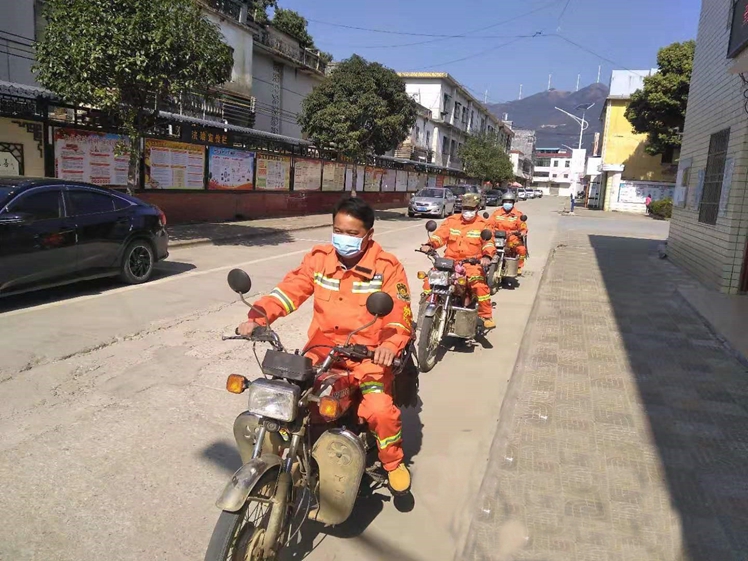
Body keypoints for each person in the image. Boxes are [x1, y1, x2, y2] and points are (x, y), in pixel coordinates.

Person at [236, 197, 413, 494]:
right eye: (338, 230)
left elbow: (400, 313)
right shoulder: (319, 259)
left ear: (369, 235)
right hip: (323, 351)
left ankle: (393, 462)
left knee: (380, 410)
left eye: (352, 233)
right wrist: (259, 317)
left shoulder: (387, 267)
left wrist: (390, 344)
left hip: (368, 355)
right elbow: (290, 290)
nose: (343, 238)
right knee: (291, 397)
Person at [420, 193, 496, 329]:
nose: (468, 211)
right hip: (449, 262)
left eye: (471, 209)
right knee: (429, 282)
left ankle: (486, 316)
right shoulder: (452, 220)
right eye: (465, 208)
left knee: (479, 286)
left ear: (477, 208)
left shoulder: (483, 224)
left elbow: (488, 243)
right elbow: (440, 235)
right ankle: (426, 314)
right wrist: (430, 245)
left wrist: (487, 256)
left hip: (472, 263)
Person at [488, 191, 528, 275]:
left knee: (521, 249)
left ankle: (518, 266)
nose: (507, 204)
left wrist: (522, 232)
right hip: (497, 237)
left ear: (513, 203)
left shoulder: (518, 214)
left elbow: (523, 227)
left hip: (512, 238)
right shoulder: (496, 213)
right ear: (502, 202)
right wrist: (488, 230)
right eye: (505, 202)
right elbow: (489, 224)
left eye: (509, 202)